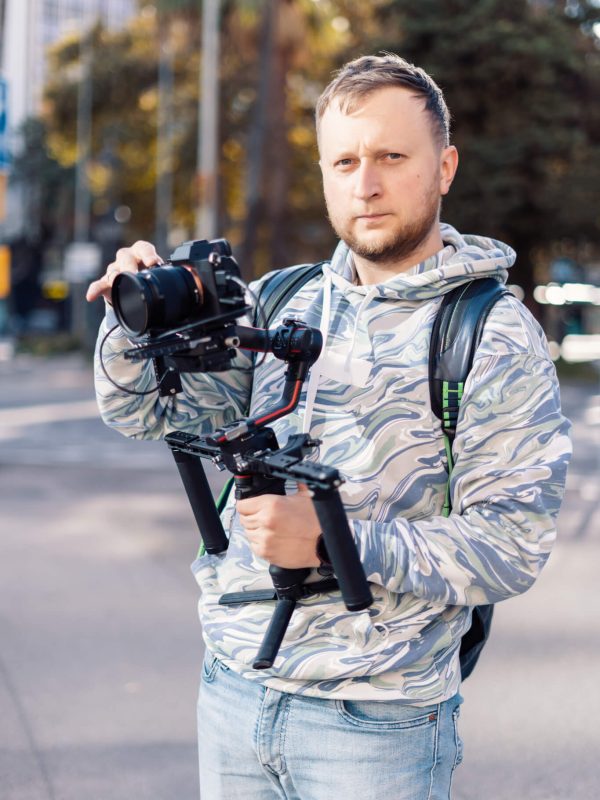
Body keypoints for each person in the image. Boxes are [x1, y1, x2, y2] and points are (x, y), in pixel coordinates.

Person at [87, 53, 572, 799]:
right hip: (234, 690)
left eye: (391, 157)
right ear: (323, 171)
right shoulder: (283, 300)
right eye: (344, 160)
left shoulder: (490, 332)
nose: (366, 184)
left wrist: (327, 538)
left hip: (377, 724)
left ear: (443, 167)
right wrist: (132, 323)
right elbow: (145, 410)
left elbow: (510, 547)